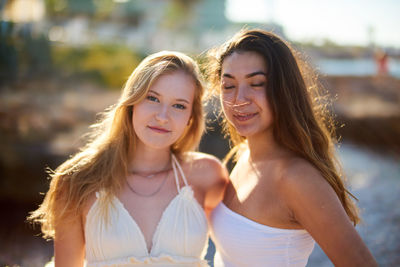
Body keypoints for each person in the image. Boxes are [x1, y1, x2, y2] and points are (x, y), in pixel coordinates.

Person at [28, 51, 228, 267]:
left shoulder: (207, 174)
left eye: (179, 105)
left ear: (191, 117)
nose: (162, 116)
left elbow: (242, 248)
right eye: (152, 98)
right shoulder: (77, 179)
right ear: (132, 102)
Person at [206, 29, 377, 267]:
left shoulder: (297, 179)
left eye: (256, 83)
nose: (239, 98)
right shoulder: (244, 155)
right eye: (228, 86)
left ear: (284, 90)